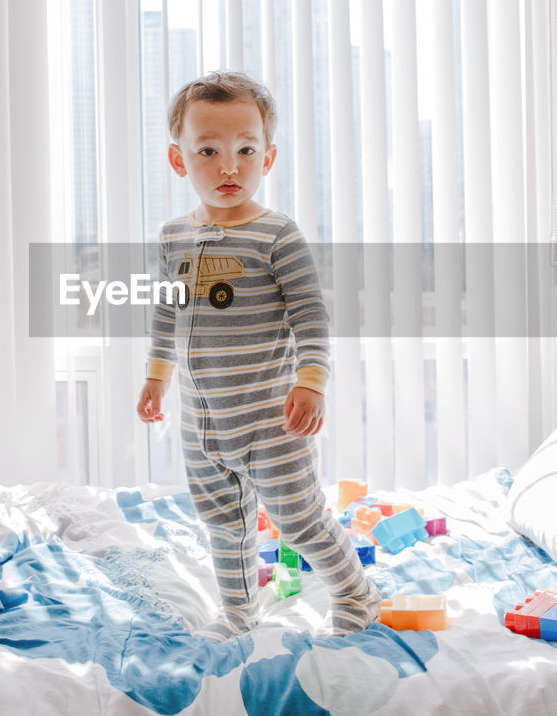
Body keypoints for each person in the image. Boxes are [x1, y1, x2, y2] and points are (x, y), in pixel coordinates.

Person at [136, 70, 380, 641]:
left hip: (271, 416)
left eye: (246, 150)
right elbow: (168, 313)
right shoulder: (174, 237)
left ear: (267, 158)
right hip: (203, 421)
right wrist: (156, 377)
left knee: (298, 517)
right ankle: (239, 612)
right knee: (222, 519)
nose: (229, 166)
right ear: (179, 160)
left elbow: (310, 316)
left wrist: (312, 382)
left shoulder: (277, 235)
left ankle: (356, 593)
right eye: (209, 151)